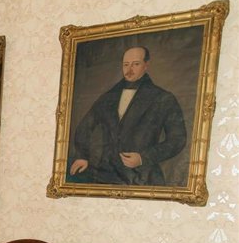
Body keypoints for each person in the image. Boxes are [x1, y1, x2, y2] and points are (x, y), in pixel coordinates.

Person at [69, 46, 186, 186]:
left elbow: (177, 139)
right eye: (126, 64)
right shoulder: (108, 97)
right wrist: (82, 156)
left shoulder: (163, 98)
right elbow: (85, 126)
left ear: (146, 65)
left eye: (136, 64)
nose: (129, 69)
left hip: (143, 177)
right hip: (105, 176)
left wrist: (144, 158)